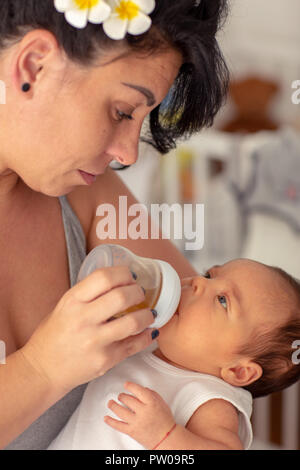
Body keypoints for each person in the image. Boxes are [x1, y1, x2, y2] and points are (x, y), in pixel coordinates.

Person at [0, 0, 229, 450]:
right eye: (123, 111)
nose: (128, 154)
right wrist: (44, 368)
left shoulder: (83, 192)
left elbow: (223, 350)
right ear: (34, 66)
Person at [48, 258, 300, 450]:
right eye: (209, 275)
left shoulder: (210, 400)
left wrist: (166, 436)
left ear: (238, 370)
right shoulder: (145, 341)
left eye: (223, 300)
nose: (198, 282)